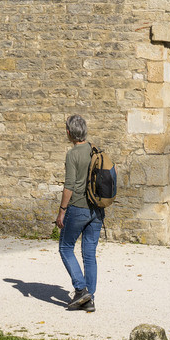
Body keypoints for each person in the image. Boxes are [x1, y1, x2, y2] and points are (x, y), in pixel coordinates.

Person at [55, 113, 102, 312]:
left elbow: (69, 187)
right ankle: (89, 298)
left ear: (68, 132)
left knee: (65, 248)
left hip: (79, 208)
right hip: (97, 210)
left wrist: (62, 212)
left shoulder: (72, 154)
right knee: (89, 254)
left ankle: (81, 290)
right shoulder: (94, 150)